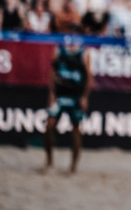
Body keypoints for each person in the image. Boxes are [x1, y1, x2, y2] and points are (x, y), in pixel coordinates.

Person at [44, 36, 91, 174]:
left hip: (75, 96)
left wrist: (84, 97)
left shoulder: (84, 52)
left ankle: (73, 166)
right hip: (60, 95)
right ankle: (49, 161)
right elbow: (53, 72)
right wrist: (52, 93)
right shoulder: (59, 49)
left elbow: (89, 76)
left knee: (76, 129)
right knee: (49, 125)